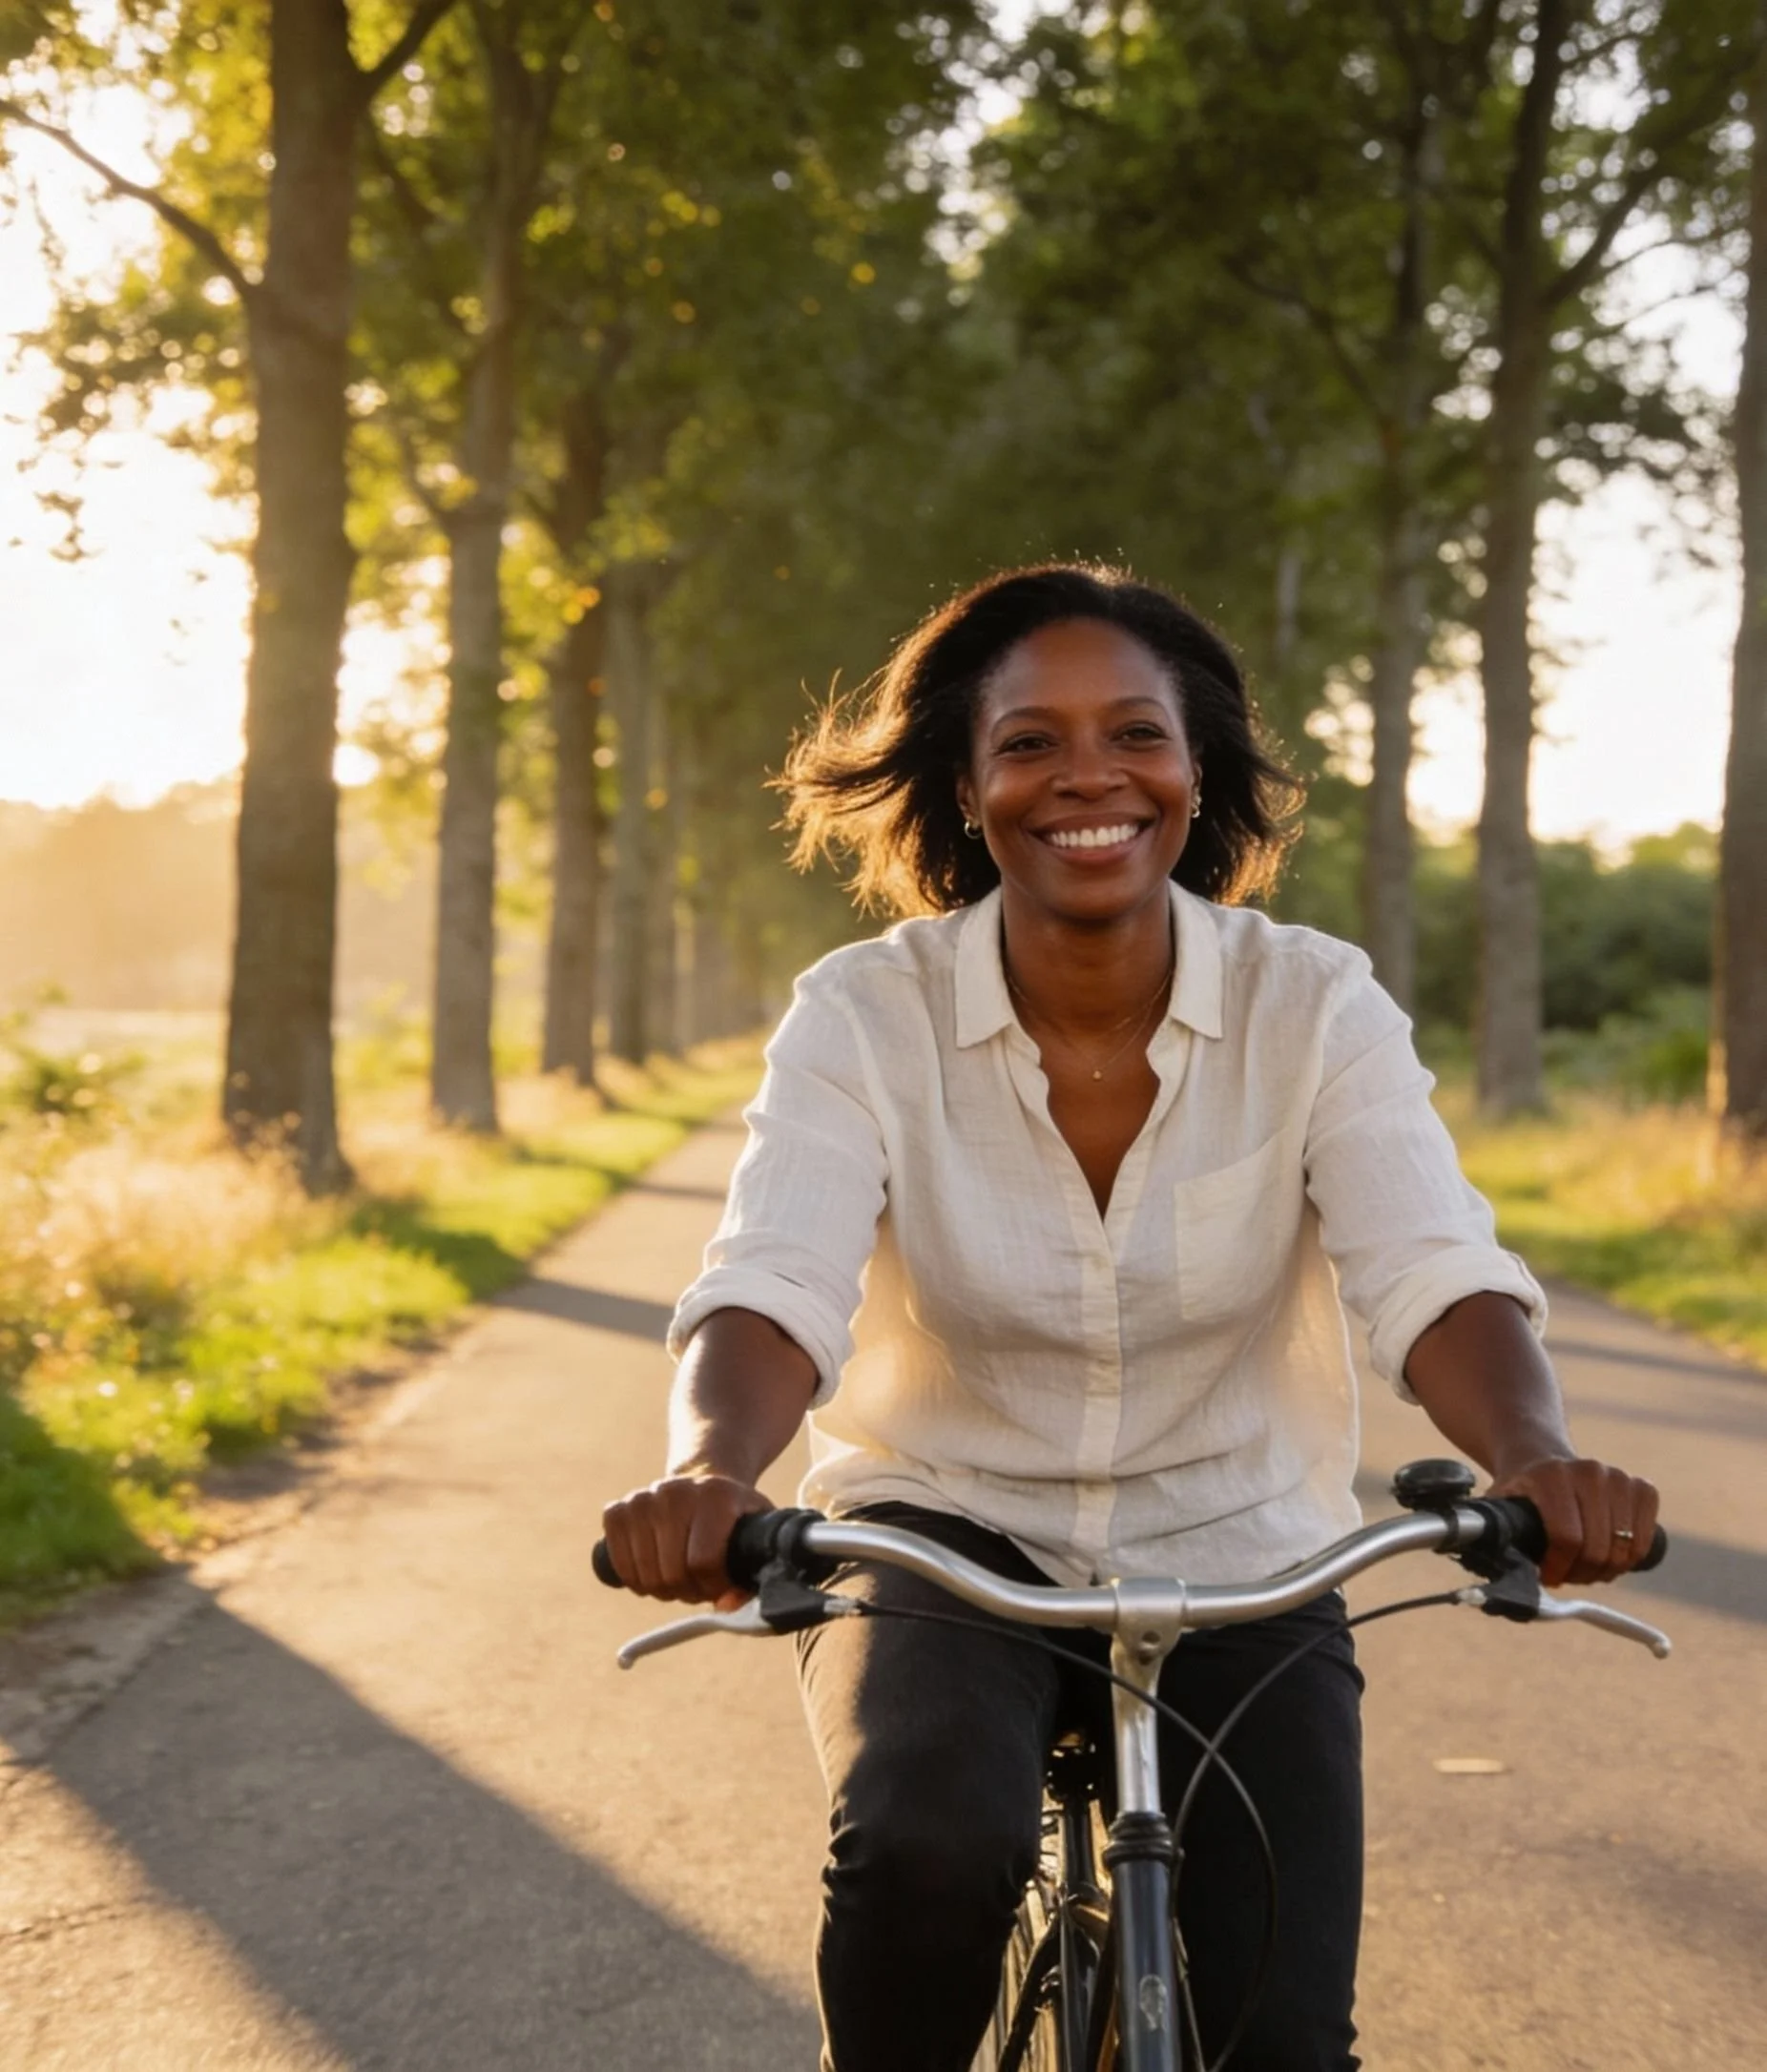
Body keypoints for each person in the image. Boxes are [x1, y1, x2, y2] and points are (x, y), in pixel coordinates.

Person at [600, 564, 1659, 2072]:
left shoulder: (1317, 1005)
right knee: (918, 1849)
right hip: (943, 1533)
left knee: (1281, 2042)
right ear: (967, 790)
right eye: (1029, 743)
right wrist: (714, 1470)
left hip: (1246, 1546)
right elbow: (775, 1273)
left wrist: (1537, 1456)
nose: (1087, 776)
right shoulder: (863, 1014)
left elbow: (1431, 1266)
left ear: (1197, 771)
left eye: (1137, 736)